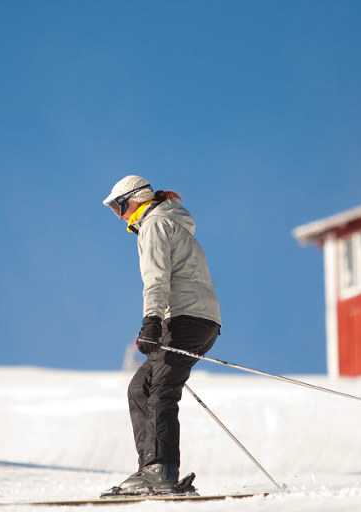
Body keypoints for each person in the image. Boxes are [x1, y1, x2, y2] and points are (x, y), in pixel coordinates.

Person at [102, 175, 221, 495]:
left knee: (157, 389)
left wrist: (151, 322)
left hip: (185, 318)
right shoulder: (171, 223)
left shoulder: (155, 224)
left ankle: (160, 469)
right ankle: (151, 468)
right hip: (200, 321)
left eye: (119, 207)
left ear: (135, 199)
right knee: (141, 387)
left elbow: (156, 278)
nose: (120, 216)